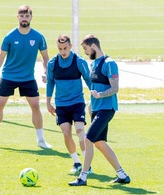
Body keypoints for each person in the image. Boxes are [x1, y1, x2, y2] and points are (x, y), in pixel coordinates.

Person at [0, 5, 52, 149]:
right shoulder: (10, 36)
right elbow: (0, 58)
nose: (24, 18)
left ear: (31, 17)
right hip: (8, 76)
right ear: (17, 17)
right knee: (0, 105)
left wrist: (46, 72)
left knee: (35, 106)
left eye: (27, 16)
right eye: (22, 16)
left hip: (28, 78)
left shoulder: (38, 37)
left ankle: (41, 140)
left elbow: (45, 58)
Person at [68, 34, 130, 186]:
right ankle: (122, 175)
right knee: (99, 142)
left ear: (94, 46)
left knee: (88, 139)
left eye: (86, 49)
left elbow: (115, 88)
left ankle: (83, 177)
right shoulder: (94, 64)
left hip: (107, 109)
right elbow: (95, 87)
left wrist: (100, 95)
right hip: (96, 109)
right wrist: (91, 105)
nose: (86, 52)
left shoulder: (110, 63)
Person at [46, 34, 91, 173]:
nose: (63, 51)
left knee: (80, 130)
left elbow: (89, 80)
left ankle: (86, 164)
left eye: (65, 48)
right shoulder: (52, 64)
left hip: (77, 102)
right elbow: (50, 82)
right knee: (66, 133)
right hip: (61, 104)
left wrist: (95, 97)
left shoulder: (79, 61)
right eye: (60, 49)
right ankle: (76, 163)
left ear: (71, 46)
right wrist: (48, 102)